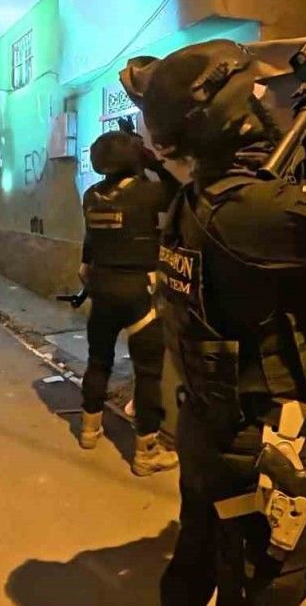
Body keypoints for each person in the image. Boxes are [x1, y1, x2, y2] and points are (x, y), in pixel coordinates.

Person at [118, 40, 306, 605]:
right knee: (270, 583)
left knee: (196, 560)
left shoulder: (202, 199)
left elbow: (280, 203)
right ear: (235, 116)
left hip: (210, 429)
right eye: (256, 92)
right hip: (260, 443)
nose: (266, 98)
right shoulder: (247, 211)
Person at [77, 126, 181, 477]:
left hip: (102, 289)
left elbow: (92, 239)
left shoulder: (91, 196)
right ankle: (145, 453)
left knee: (98, 360)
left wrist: (86, 265)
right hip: (139, 291)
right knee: (147, 374)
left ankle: (89, 430)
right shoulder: (148, 193)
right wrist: (156, 165)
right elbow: (180, 195)